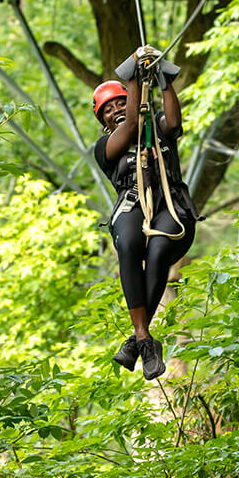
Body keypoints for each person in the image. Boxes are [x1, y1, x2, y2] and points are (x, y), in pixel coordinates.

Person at [92, 47, 199, 380]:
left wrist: (163, 79)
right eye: (108, 110)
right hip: (133, 201)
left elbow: (175, 120)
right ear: (103, 120)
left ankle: (139, 337)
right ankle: (144, 341)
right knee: (127, 243)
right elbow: (131, 127)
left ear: (132, 101)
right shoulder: (107, 146)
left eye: (120, 102)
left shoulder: (157, 126)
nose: (116, 110)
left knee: (159, 250)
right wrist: (134, 76)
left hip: (170, 202)